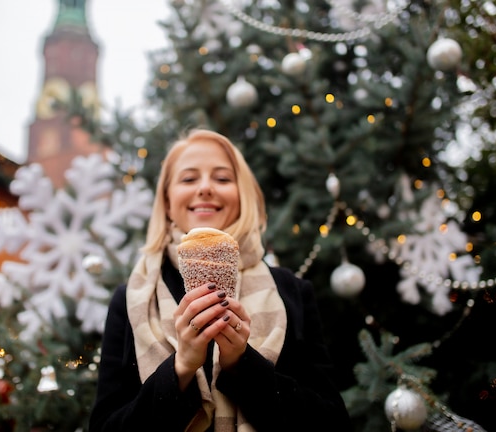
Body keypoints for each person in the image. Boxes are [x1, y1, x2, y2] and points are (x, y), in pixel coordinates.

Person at [88, 129, 351, 431]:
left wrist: (242, 364)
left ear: (242, 196)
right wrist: (181, 367)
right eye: (188, 179)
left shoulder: (291, 291)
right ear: (168, 202)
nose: (205, 188)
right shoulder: (132, 299)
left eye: (223, 179)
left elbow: (333, 422)